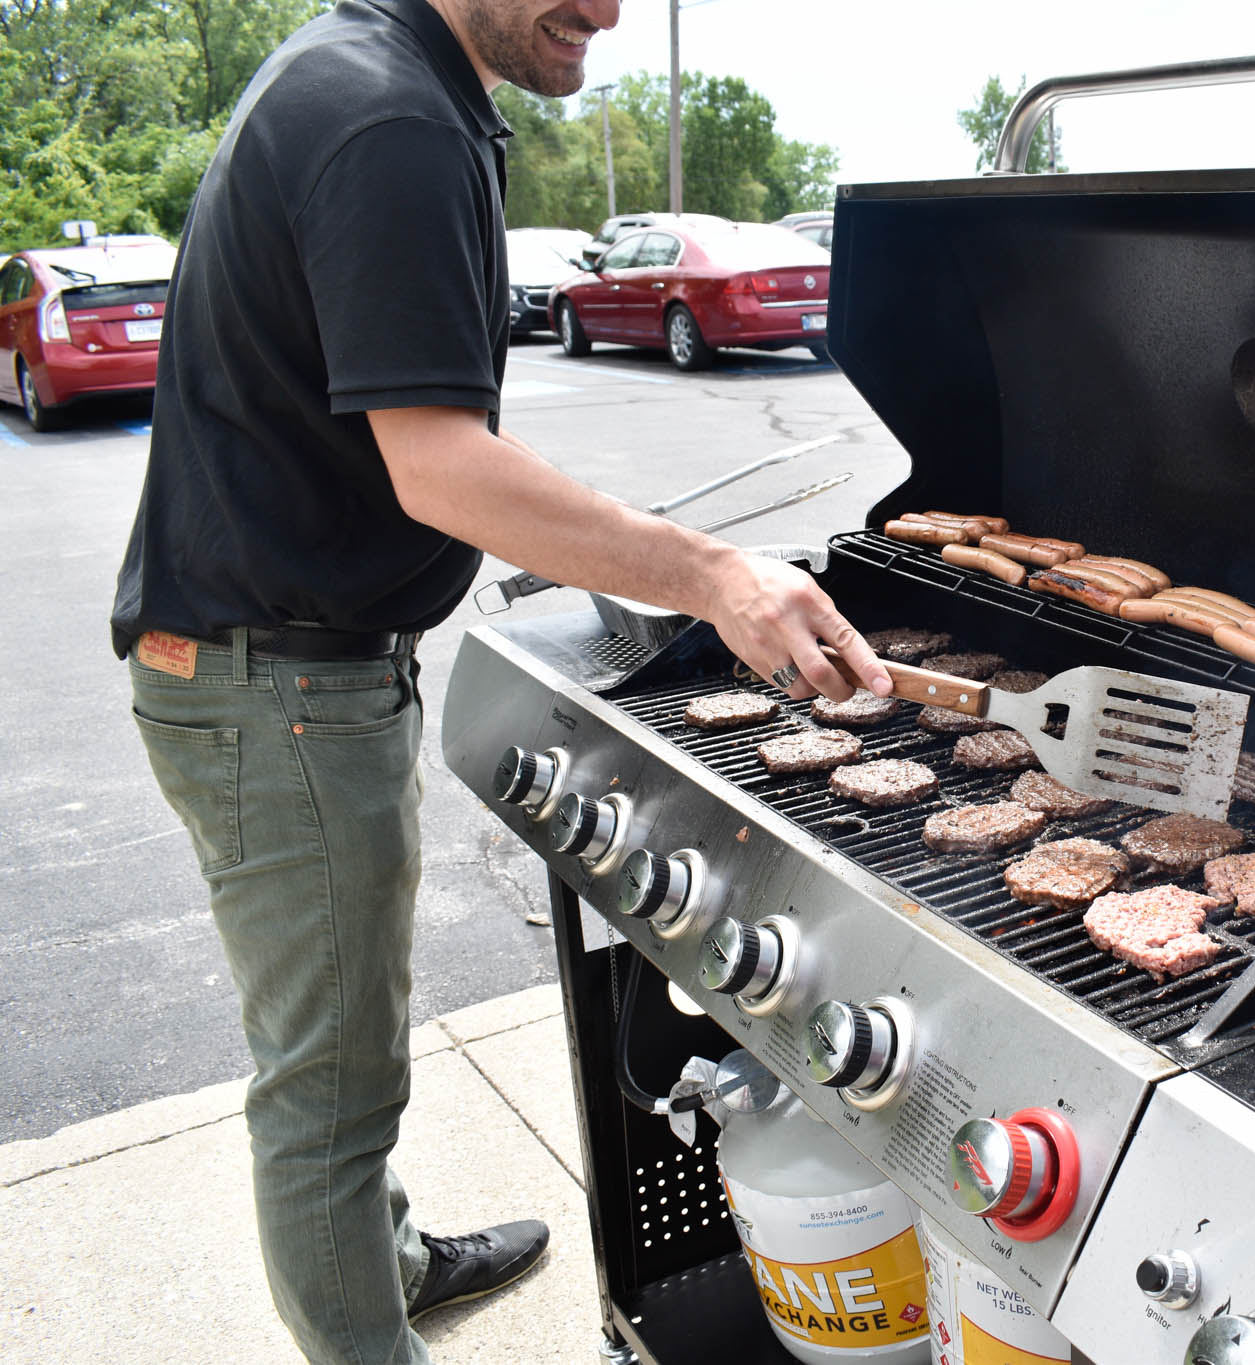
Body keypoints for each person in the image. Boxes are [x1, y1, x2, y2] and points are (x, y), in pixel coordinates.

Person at [108, 1, 892, 1360]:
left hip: (281, 669)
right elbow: (441, 464)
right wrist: (713, 574)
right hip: (275, 686)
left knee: (349, 1026)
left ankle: (389, 1257)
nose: (607, 7)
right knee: (328, 1095)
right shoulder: (390, 113)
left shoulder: (387, 75)